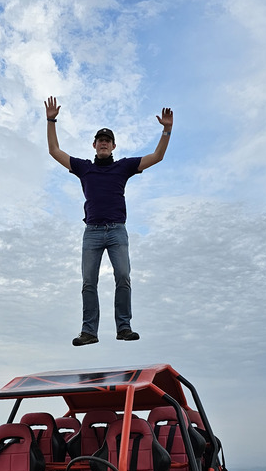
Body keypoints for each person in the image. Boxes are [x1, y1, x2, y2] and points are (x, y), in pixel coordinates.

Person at [45, 95, 173, 345]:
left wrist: (167, 130)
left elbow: (157, 156)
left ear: (113, 146)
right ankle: (89, 332)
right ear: (94, 145)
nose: (104, 144)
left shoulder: (124, 167)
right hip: (92, 232)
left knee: (123, 276)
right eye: (100, 141)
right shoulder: (83, 168)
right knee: (88, 282)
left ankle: (123, 327)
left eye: (108, 141)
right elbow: (54, 151)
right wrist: (51, 120)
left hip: (117, 231)